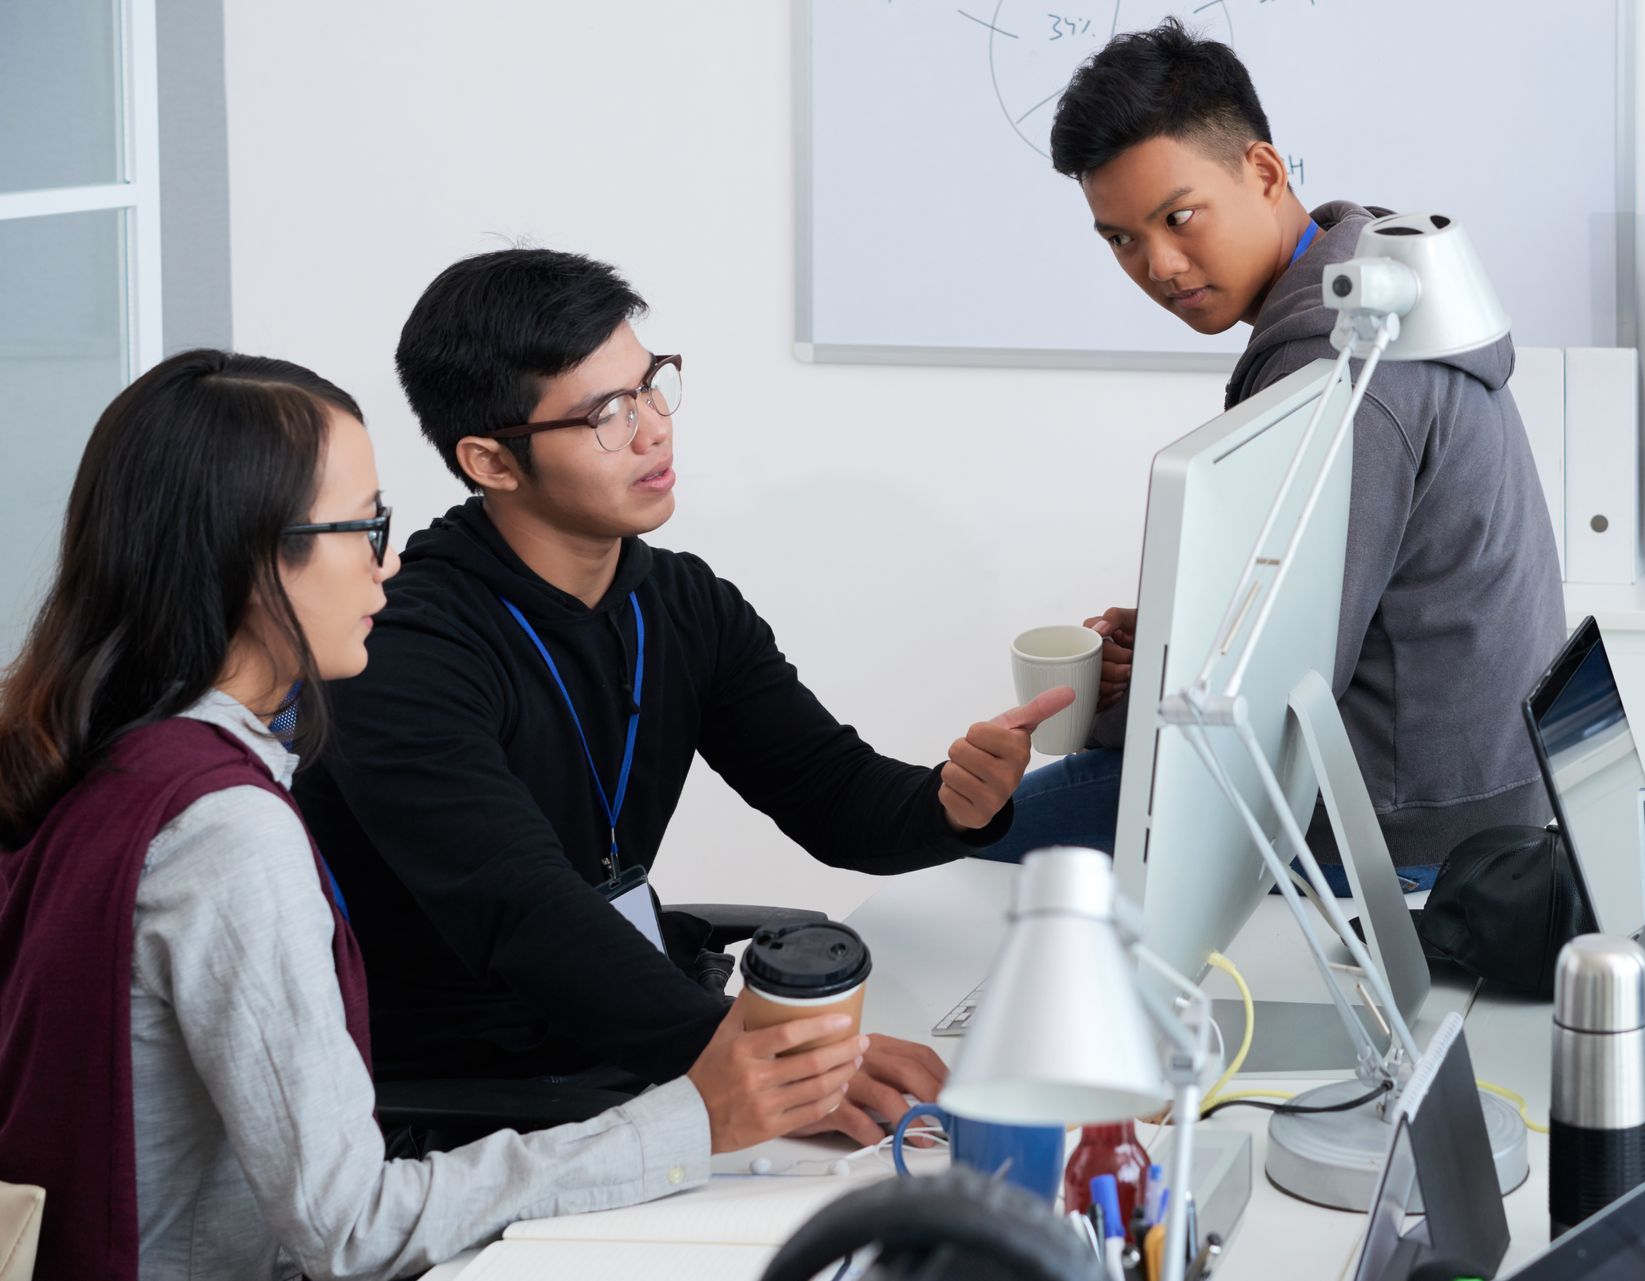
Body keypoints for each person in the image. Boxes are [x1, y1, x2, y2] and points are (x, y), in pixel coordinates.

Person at [0, 351, 869, 1279]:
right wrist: (688, 1118)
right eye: (365, 526)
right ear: (255, 557)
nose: (393, 560)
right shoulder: (224, 833)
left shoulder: (103, 744)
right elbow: (350, 1229)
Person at [292, 249, 1069, 1145]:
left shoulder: (682, 603)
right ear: (491, 461)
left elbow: (834, 796)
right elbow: (524, 911)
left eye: (652, 385)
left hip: (629, 1047)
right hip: (480, 1101)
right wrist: (750, 1058)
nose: (654, 429)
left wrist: (952, 800)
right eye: (606, 414)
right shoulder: (405, 652)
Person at [979, 21, 1565, 886]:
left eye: (1178, 217)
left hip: (1399, 836)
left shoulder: (1341, 359)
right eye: (1121, 238)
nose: (1161, 265)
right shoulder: (1372, 277)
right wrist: (1182, 637)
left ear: (1262, 171)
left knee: (972, 832)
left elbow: (1264, 704)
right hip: (1472, 795)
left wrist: (1121, 698)